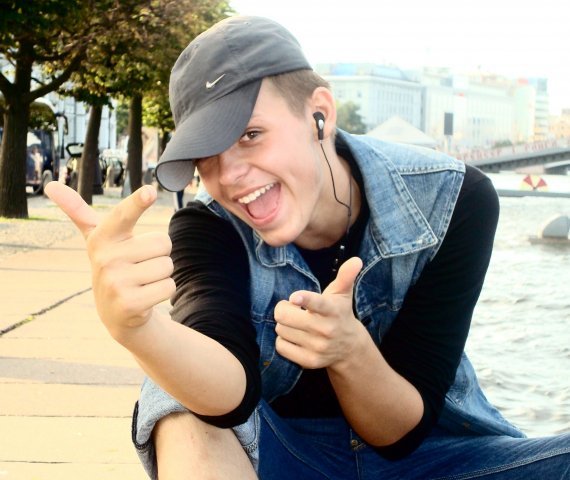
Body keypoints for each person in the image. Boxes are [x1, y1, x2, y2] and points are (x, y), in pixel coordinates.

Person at [45, 15, 569, 480]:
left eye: (250, 134)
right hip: (282, 457)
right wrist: (139, 330)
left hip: (437, 458)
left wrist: (349, 352)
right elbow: (226, 397)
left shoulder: (454, 199)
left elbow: (399, 433)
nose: (230, 175)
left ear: (320, 114)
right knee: (174, 392)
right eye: (207, 153)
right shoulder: (207, 227)